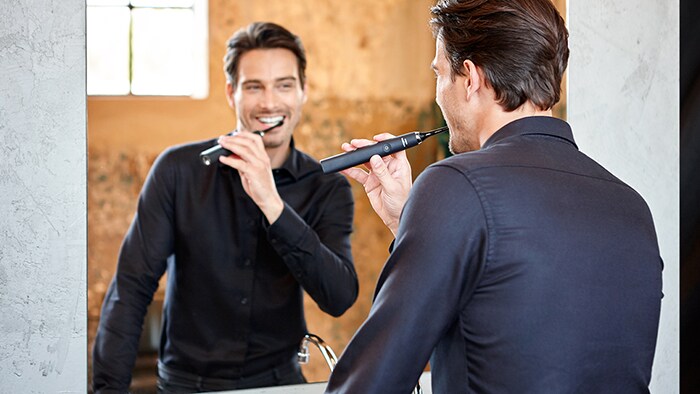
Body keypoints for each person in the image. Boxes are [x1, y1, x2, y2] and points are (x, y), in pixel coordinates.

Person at [325, 0, 663, 393]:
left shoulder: (455, 184)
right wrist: (411, 224)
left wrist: (433, 208)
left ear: (470, 77)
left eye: (440, 74)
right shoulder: (632, 207)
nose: (438, 96)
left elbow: (371, 383)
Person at [93, 22, 358, 393]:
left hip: (279, 384)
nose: (269, 102)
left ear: (303, 92)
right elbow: (131, 289)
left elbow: (339, 297)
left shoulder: (327, 186)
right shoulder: (177, 171)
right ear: (231, 93)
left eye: (284, 85)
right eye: (254, 87)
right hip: (187, 384)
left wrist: (272, 202)